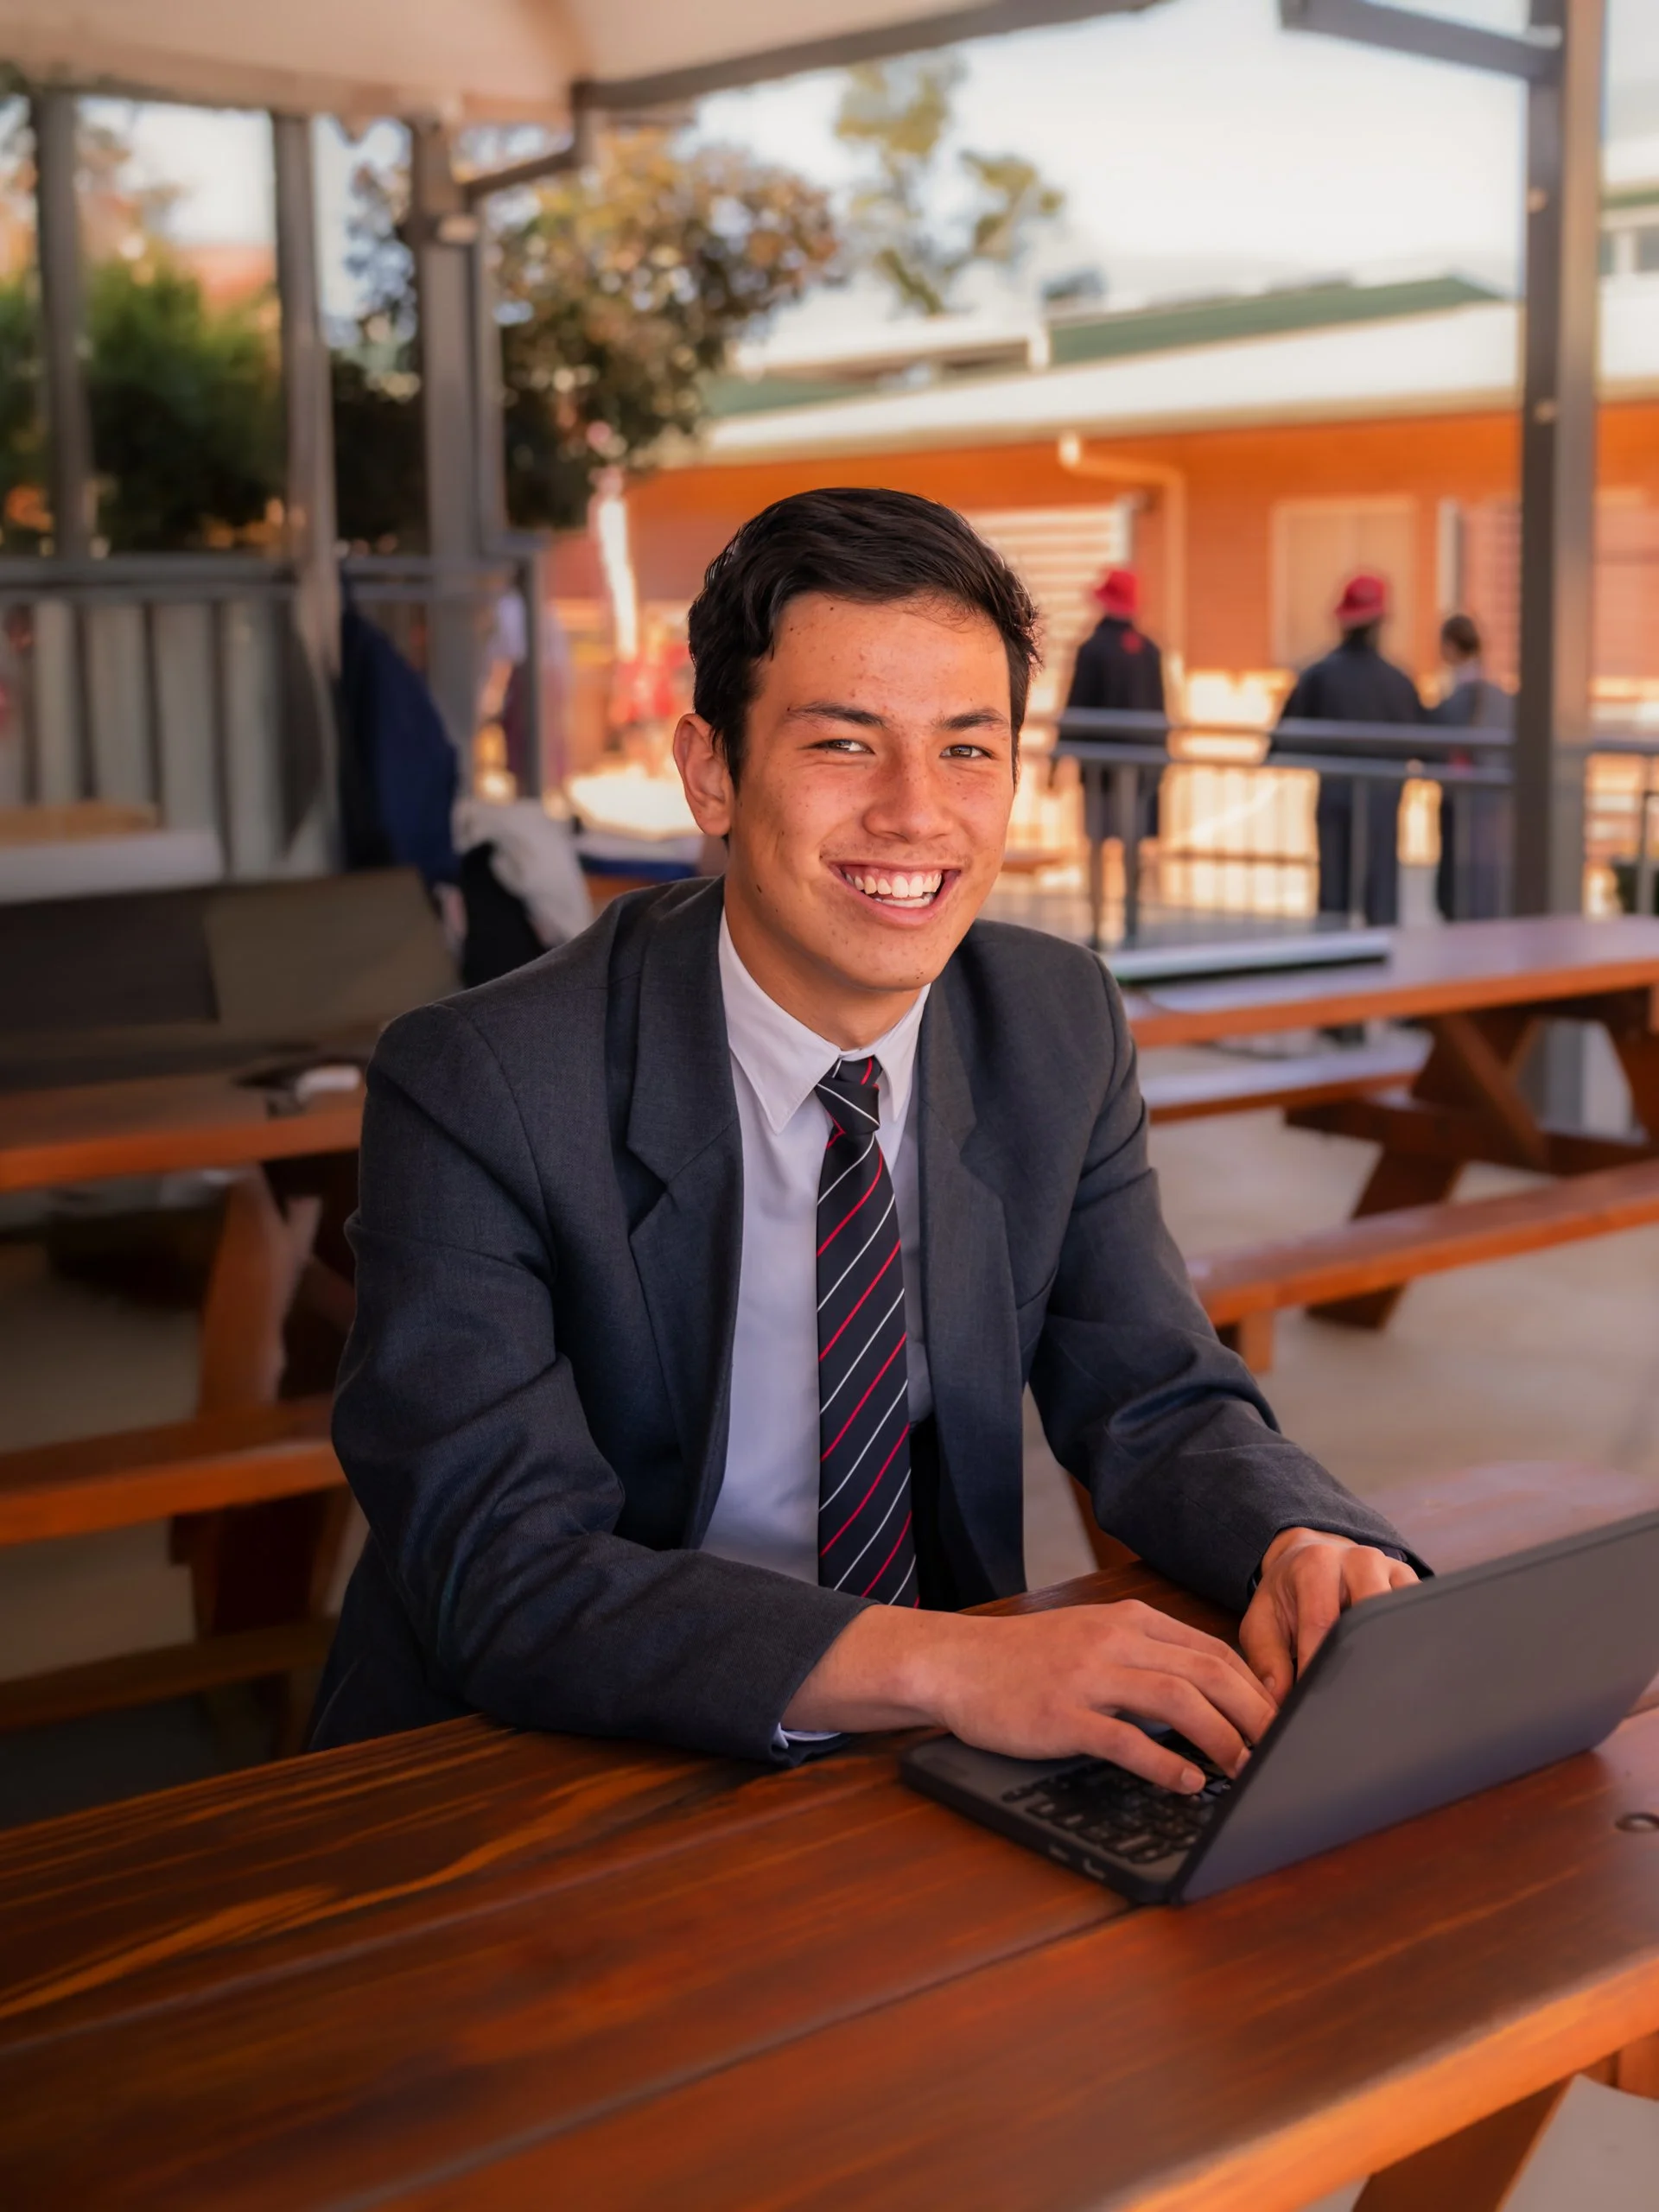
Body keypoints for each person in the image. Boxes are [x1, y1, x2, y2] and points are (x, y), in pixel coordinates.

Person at [312, 488, 1419, 1796]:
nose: (915, 814)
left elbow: (1152, 1395)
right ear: (711, 771)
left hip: (917, 1758)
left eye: (968, 749)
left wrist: (1297, 1537)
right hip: (536, 1765)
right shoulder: (484, 1080)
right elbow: (501, 1567)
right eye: (845, 745)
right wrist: (947, 1665)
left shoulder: (1051, 1023)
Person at [1273, 571, 1421, 925]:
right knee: (1381, 896)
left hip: (1336, 797)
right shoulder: (1398, 682)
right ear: (1381, 622)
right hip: (1383, 801)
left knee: (1333, 902)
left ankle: (1333, 971)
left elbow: (1280, 739)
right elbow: (1427, 744)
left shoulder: (1320, 675)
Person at [1064, 566, 1166, 839]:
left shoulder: (1093, 648)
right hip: (1145, 764)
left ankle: (1100, 881)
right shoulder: (1149, 649)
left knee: (1100, 836)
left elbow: (1078, 702)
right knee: (1137, 834)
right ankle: (1135, 881)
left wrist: (1060, 753)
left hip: (1101, 766)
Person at [1427, 613, 1511, 922]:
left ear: (1450, 646)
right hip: (1488, 798)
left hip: (1462, 796)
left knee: (1460, 874)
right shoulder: (1495, 694)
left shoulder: (1460, 695)